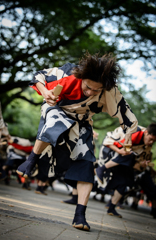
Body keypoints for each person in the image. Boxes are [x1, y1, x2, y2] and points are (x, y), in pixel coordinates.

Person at [16, 52, 138, 231]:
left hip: (82, 121)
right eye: (88, 87)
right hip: (57, 109)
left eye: (96, 91)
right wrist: (45, 92)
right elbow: (38, 76)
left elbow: (125, 114)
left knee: (86, 162)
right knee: (55, 122)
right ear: (82, 77)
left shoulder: (109, 89)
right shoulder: (69, 73)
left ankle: (80, 215)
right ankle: (32, 159)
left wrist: (128, 134)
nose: (90, 92)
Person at [96, 123, 156, 218]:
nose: (152, 142)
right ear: (146, 133)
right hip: (111, 151)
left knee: (124, 181)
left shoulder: (147, 146)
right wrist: (119, 151)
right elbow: (108, 142)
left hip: (125, 159)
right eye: (151, 139)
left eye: (154, 141)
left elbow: (138, 161)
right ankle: (101, 169)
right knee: (127, 154)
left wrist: (142, 164)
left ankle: (112, 207)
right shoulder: (133, 131)